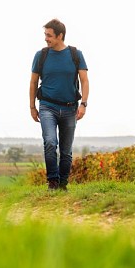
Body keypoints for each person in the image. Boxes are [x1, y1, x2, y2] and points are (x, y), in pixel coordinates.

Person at [29, 18, 89, 191]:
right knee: (49, 142)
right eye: (45, 35)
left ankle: (63, 184)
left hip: (70, 107)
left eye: (49, 35)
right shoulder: (41, 55)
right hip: (47, 106)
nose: (46, 39)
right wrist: (32, 106)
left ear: (60, 36)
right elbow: (33, 82)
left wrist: (83, 104)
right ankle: (53, 182)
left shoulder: (75, 54)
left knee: (66, 150)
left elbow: (84, 81)